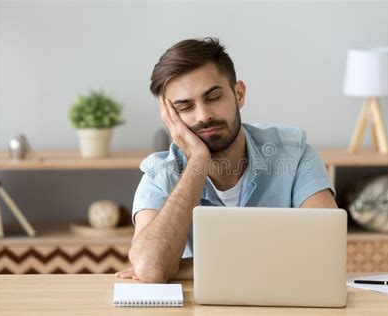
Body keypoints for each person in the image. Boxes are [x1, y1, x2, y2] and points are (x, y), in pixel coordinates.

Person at [115, 37, 337, 283]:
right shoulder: (160, 173)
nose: (204, 116)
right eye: (185, 107)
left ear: (238, 94)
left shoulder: (294, 155)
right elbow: (150, 269)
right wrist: (198, 161)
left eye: (213, 98)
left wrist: (178, 267)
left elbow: (326, 252)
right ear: (170, 118)